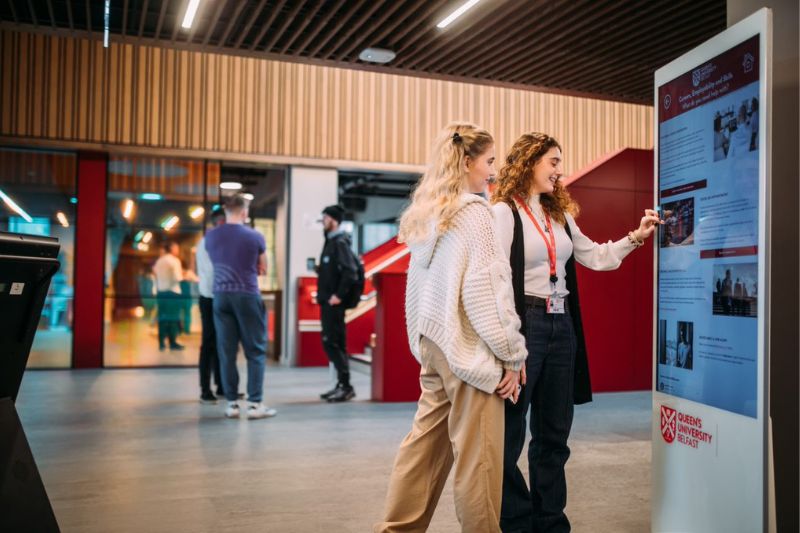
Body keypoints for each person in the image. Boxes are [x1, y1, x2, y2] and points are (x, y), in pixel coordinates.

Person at [491, 132, 660, 533]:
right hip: (524, 325)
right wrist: (504, 345)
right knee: (506, 438)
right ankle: (516, 521)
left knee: (554, 435)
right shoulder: (502, 212)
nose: (559, 170)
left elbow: (595, 257)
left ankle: (550, 523)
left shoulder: (559, 215)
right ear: (529, 162)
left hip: (561, 325)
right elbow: (495, 280)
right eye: (553, 161)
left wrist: (636, 237)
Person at [375, 123, 527, 533]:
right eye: (489, 161)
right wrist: (512, 355)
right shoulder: (474, 214)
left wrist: (424, 342)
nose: (493, 172)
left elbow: (417, 290)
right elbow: (489, 292)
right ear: (466, 161)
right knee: (479, 463)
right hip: (469, 351)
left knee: (422, 450)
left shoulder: (429, 214)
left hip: (435, 344)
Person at [204, 194, 275, 420]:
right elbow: (263, 268)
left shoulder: (211, 236)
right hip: (246, 294)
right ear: (244, 212)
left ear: (225, 211)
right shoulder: (255, 236)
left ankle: (232, 404)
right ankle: (255, 405)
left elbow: (216, 261)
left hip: (221, 296)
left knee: (227, 352)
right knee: (255, 350)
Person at [316, 204, 359, 403]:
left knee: (332, 343)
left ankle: (346, 386)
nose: (323, 222)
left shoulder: (339, 242)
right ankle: (342, 384)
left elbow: (350, 271)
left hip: (334, 304)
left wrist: (339, 296)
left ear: (333, 220)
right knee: (334, 343)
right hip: (327, 302)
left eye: (325, 218)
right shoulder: (331, 242)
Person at [195, 206, 227, 404]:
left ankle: (222, 386)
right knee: (209, 344)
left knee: (220, 344)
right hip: (209, 298)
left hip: (218, 296)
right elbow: (214, 271)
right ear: (220, 223)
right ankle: (205, 390)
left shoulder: (214, 241)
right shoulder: (208, 242)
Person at [152, 241, 184, 351]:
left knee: (162, 318)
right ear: (172, 248)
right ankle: (173, 342)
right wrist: (186, 276)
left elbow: (155, 272)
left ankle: (161, 343)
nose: (178, 250)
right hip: (173, 292)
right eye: (177, 248)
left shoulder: (159, 261)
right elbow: (177, 278)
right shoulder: (175, 261)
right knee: (173, 319)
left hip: (161, 292)